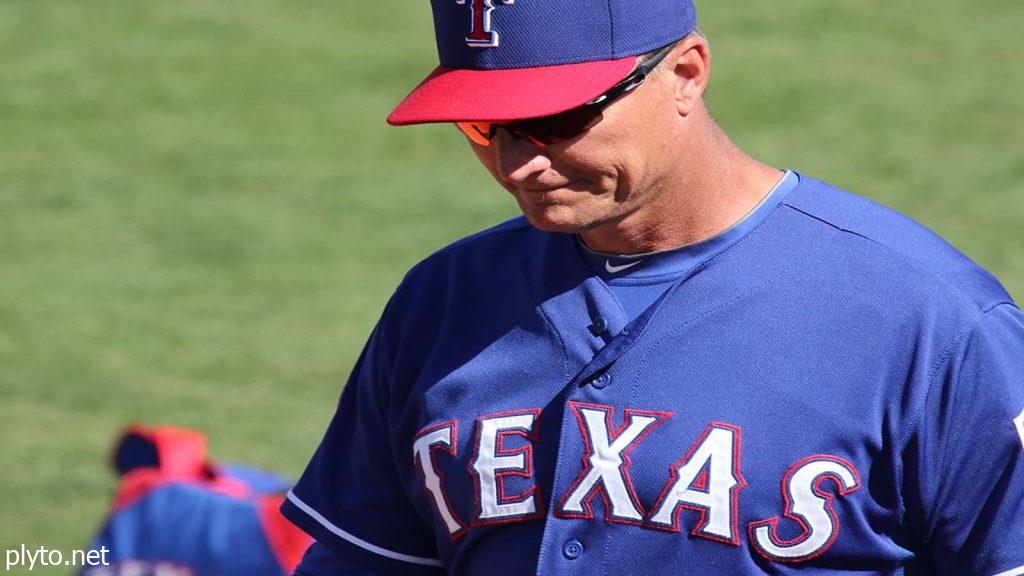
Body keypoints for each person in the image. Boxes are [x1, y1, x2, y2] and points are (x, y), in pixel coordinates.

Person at [280, 1, 1024, 574]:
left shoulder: (934, 324)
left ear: (686, 75)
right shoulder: (442, 299)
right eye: (485, 125)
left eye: (555, 119)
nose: (516, 165)